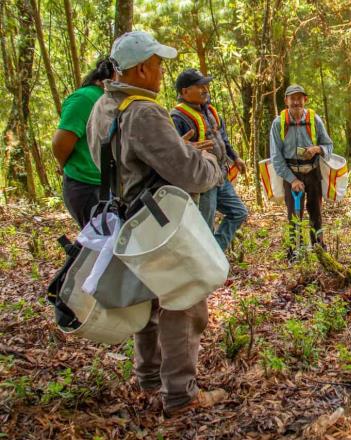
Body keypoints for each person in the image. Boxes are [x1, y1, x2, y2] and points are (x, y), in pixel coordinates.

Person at [86, 31, 226, 417]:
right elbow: (190, 173)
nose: (163, 72)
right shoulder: (144, 111)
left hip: (128, 218)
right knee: (184, 300)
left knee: (146, 301)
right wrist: (213, 165)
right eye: (159, 64)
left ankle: (148, 379)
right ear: (143, 68)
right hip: (162, 223)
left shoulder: (102, 107)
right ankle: (180, 394)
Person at [171, 68, 248, 250]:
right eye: (199, 86)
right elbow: (173, 153)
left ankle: (215, 253)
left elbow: (223, 138)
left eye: (206, 85)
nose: (205, 89)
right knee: (204, 226)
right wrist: (186, 148)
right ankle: (204, 268)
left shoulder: (210, 111)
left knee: (238, 212)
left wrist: (235, 157)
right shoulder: (177, 118)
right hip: (203, 181)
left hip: (221, 175)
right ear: (184, 91)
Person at [269, 84, 334, 256]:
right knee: (294, 215)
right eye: (292, 98)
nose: (296, 102)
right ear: (286, 101)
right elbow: (276, 157)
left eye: (299, 98)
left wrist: (317, 149)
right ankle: (294, 253)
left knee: (316, 213)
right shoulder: (278, 123)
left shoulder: (314, 120)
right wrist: (292, 180)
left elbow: (328, 145)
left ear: (305, 100)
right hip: (291, 174)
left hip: (313, 172)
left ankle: (319, 251)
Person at [51, 59, 116, 227]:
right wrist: (63, 164)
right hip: (86, 186)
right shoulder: (84, 98)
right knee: (99, 244)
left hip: (109, 186)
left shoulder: (113, 99)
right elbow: (60, 143)